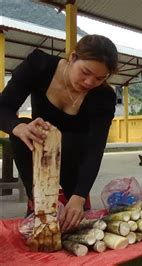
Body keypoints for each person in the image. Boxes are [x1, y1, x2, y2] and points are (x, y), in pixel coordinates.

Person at [0, 34, 118, 232]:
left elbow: (95, 149)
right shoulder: (38, 65)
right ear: (72, 58)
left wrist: (80, 196)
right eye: (85, 72)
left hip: (76, 164)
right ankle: (35, 200)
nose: (89, 82)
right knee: (23, 128)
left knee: (74, 233)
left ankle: (75, 200)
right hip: (39, 164)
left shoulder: (104, 97)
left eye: (100, 78)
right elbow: (3, 107)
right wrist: (18, 127)